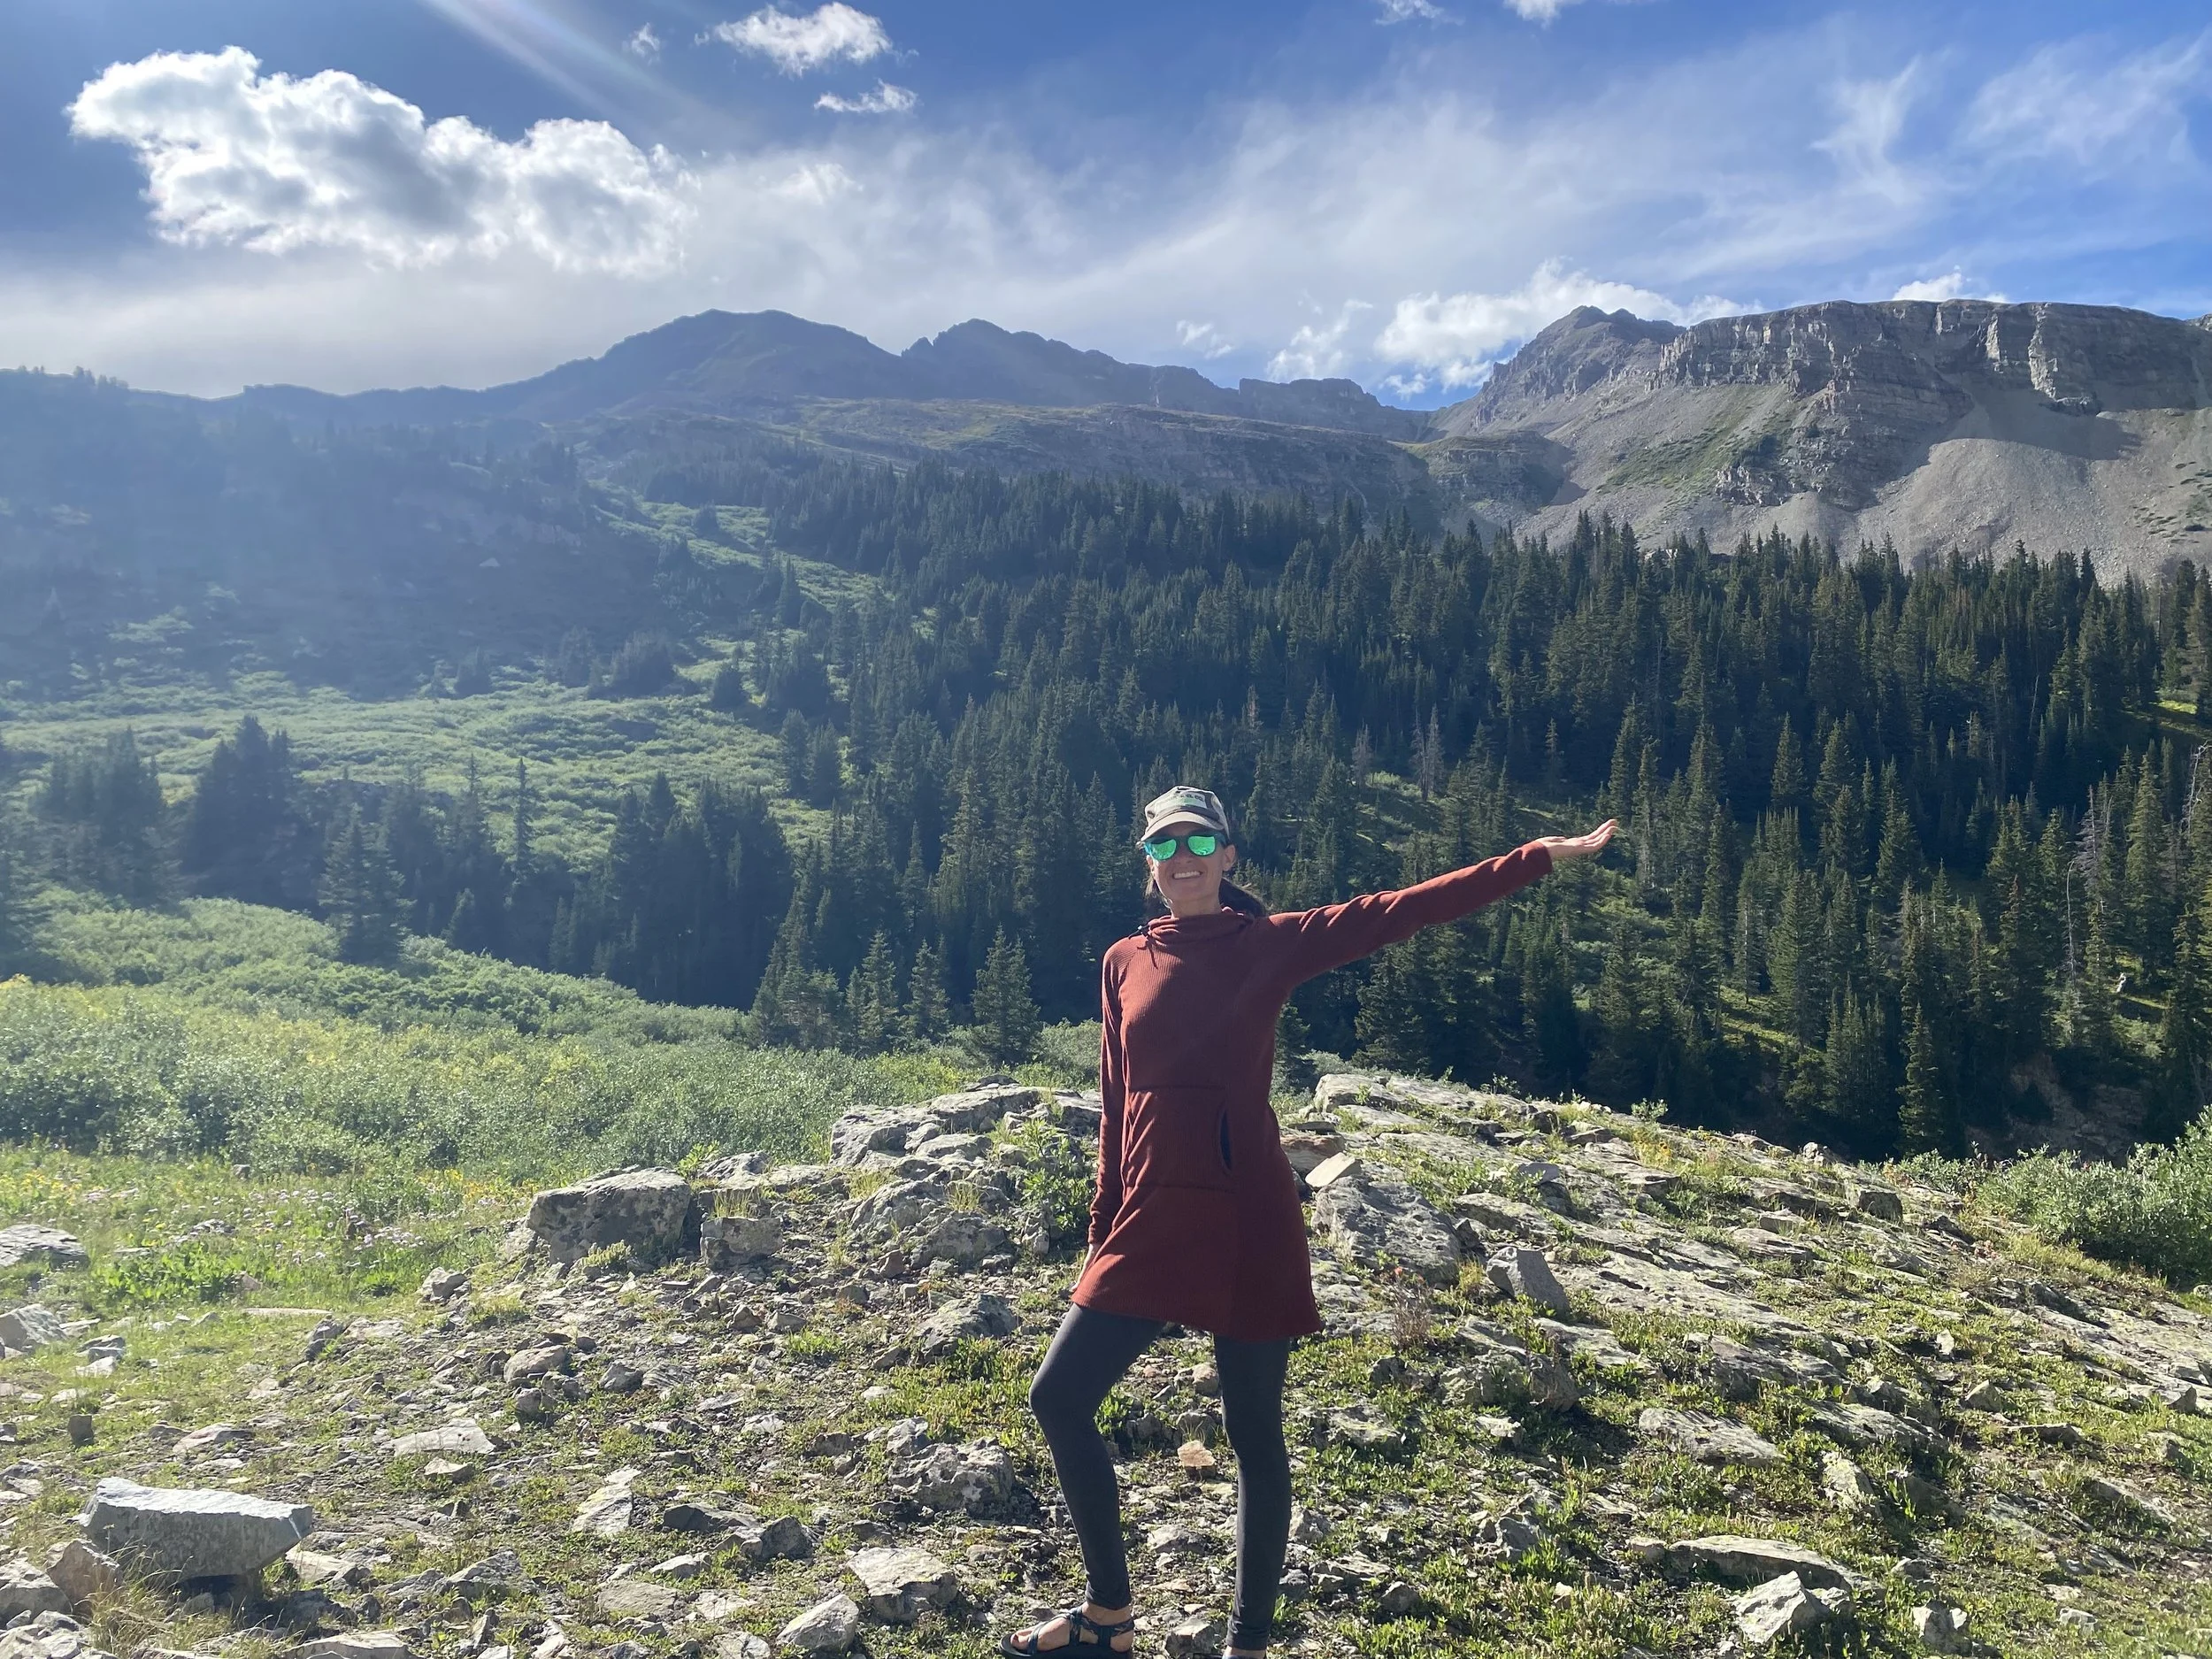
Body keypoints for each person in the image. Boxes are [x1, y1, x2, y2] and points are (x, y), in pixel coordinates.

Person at [1000, 786, 1615, 1657]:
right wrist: (1105, 1216)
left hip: (1249, 1215)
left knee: (1252, 1434)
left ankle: (1247, 1644)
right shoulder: (1121, 960)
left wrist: (1536, 856)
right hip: (1148, 1216)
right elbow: (1114, 1099)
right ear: (1147, 864)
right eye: (1162, 846)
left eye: (1197, 842)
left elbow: (1397, 911)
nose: (1180, 859)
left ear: (1227, 856)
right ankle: (1107, 1619)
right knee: (1058, 1397)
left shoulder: (1268, 945)